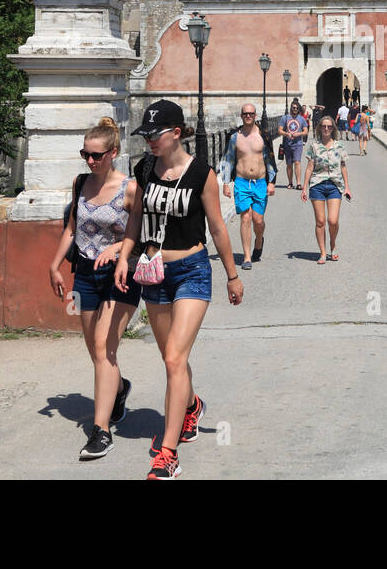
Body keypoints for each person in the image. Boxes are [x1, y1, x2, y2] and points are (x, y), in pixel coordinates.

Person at [115, 100, 242, 480]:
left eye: (155, 135)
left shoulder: (201, 174)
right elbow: (136, 216)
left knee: (173, 358)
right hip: (153, 271)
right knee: (174, 357)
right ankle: (191, 405)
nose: (150, 141)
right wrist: (125, 257)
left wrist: (233, 275)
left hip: (191, 270)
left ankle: (168, 454)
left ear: (176, 133)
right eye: (146, 135)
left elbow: (218, 227)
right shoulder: (145, 168)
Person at [49, 116, 140, 460]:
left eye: (96, 155)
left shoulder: (130, 188)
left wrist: (116, 250)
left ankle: (101, 432)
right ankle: (118, 388)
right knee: (93, 347)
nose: (90, 160)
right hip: (84, 274)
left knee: (104, 346)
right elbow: (73, 228)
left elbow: (137, 234)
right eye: (85, 154)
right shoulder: (80, 183)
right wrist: (54, 265)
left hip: (121, 274)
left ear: (113, 153)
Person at [218, 103, 277, 271]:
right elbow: (227, 159)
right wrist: (226, 183)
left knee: (258, 220)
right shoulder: (235, 137)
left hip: (260, 182)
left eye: (251, 113)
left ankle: (259, 241)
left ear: (255, 115)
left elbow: (270, 159)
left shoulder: (263, 135)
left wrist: (272, 182)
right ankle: (247, 257)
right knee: (246, 217)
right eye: (245, 113)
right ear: (241, 115)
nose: (248, 116)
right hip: (242, 182)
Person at [299, 114, 351, 263]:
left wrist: (347, 187)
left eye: (329, 126)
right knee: (320, 221)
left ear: (333, 128)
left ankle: (332, 245)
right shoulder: (314, 146)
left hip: (335, 185)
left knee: (333, 221)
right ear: (319, 128)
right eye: (323, 126)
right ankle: (322, 252)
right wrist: (304, 188)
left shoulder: (339, 145)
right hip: (317, 185)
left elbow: (343, 167)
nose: (326, 128)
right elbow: (309, 168)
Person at [278, 100, 309, 189]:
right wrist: (286, 134)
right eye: (293, 107)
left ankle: (299, 183)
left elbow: (306, 131)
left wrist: (298, 134)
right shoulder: (285, 118)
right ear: (291, 108)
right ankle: (290, 182)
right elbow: (279, 130)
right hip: (287, 144)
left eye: (296, 108)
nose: (294, 109)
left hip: (298, 144)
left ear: (298, 109)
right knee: (289, 164)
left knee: (297, 162)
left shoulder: (301, 119)